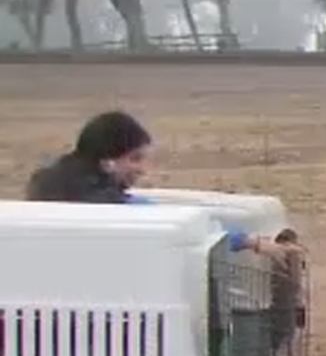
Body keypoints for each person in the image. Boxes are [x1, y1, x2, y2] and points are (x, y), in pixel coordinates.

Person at [25, 110, 300, 261]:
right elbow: (186, 225)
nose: (141, 169)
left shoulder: (48, 183)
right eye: (134, 159)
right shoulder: (107, 204)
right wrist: (251, 241)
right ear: (108, 160)